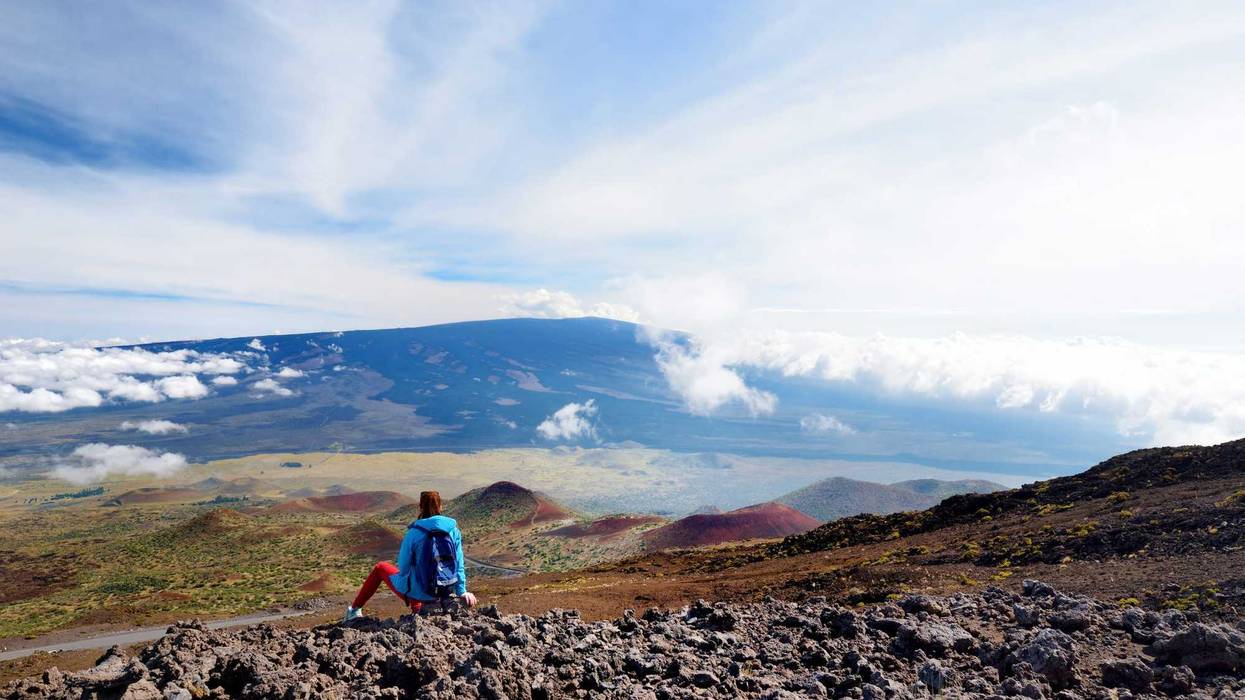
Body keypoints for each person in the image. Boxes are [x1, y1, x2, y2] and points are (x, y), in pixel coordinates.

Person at [345, 490, 477, 621]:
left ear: (420, 507)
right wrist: (462, 591)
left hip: (421, 592)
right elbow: (459, 563)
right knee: (415, 579)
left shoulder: (414, 532)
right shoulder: (453, 531)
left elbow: (404, 566)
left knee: (381, 568)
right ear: (441, 506)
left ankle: (354, 610)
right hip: (446, 590)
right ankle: (419, 609)